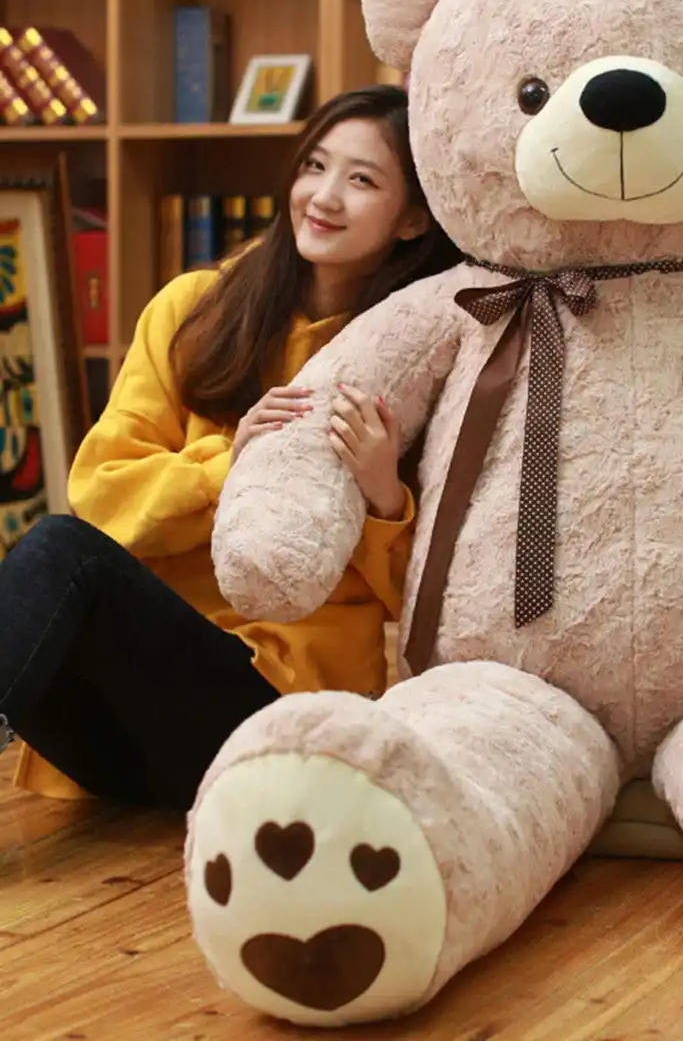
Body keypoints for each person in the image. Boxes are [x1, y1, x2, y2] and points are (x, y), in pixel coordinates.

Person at [0, 84, 461, 812]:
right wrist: (226, 467)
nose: (324, 197)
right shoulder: (195, 308)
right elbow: (101, 494)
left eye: (362, 180)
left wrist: (382, 497)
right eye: (314, 166)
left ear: (413, 218)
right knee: (59, 548)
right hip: (124, 721)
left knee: (59, 553)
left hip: (268, 713)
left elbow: (439, 602)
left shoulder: (424, 362)